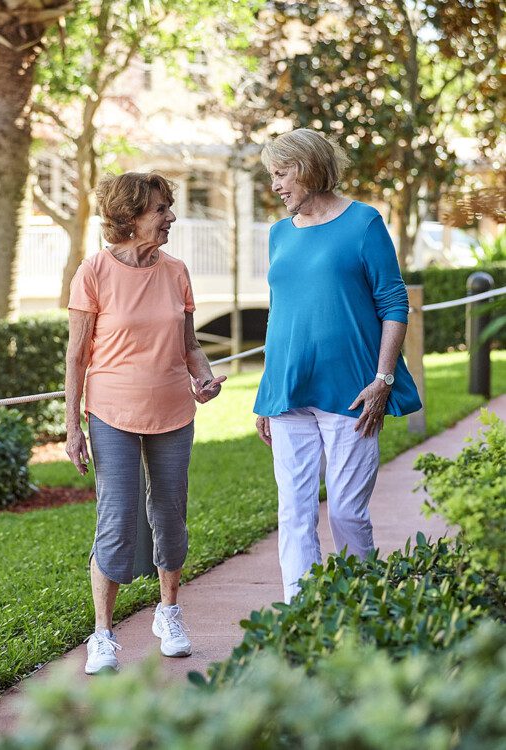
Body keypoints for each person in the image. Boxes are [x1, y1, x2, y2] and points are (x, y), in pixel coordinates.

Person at [65, 171, 226, 673]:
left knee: (170, 512)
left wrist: (205, 377)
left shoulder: (176, 271)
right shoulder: (92, 271)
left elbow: (190, 345)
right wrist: (73, 426)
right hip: (112, 412)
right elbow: (76, 356)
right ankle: (103, 634)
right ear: (130, 217)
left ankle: (169, 612)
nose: (171, 217)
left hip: (174, 410)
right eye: (161, 210)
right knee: (117, 517)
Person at [254, 129, 422, 603]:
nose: (277, 186)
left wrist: (383, 379)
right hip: (288, 392)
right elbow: (279, 312)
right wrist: (268, 392)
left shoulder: (364, 223)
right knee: (294, 511)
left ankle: (364, 606)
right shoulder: (279, 234)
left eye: (281, 174)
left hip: (353, 392)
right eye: (272, 176)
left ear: (307, 168)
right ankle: (301, 611)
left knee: (346, 512)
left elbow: (393, 302)